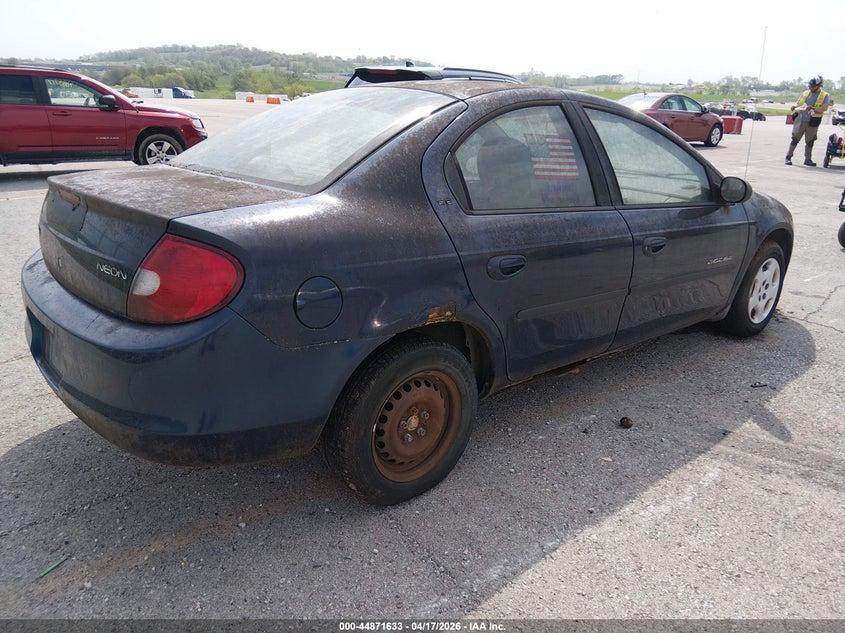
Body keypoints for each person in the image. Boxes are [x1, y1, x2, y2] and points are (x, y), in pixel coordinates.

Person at [785, 76, 831, 166]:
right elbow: (798, 103)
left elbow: (824, 108)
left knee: (810, 141)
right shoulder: (806, 93)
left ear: (819, 86)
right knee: (795, 139)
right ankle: (788, 157)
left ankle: (808, 160)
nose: (811, 88)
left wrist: (813, 108)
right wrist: (794, 106)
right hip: (801, 118)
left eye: (813, 86)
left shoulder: (825, 95)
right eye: (810, 86)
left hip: (813, 120)